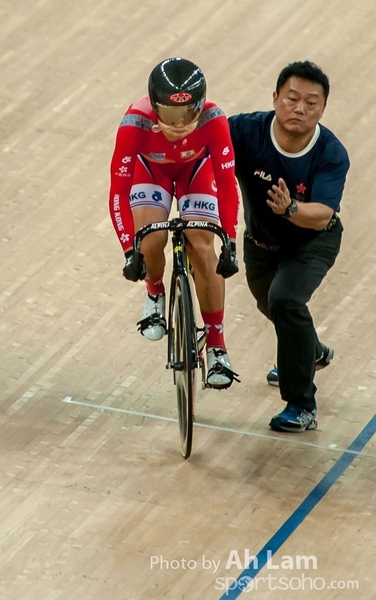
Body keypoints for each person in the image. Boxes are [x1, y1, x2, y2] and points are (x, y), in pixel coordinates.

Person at [229, 60, 350, 431]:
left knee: (285, 300)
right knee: (271, 305)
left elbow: (321, 214)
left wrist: (291, 208)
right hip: (260, 243)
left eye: (311, 103)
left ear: (323, 109)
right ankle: (310, 350)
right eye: (292, 98)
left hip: (312, 242)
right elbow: (204, 139)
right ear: (275, 98)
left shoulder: (331, 152)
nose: (300, 108)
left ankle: (301, 404)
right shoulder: (244, 131)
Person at [109, 57, 240, 389]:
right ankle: (155, 293)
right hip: (151, 172)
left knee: (204, 247)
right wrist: (130, 250)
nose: (180, 125)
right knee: (150, 241)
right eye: (169, 115)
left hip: (196, 173)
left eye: (189, 114)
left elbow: (227, 186)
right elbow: (118, 193)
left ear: (200, 106)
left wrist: (231, 241)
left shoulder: (215, 120)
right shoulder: (134, 124)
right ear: (154, 108)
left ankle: (217, 346)